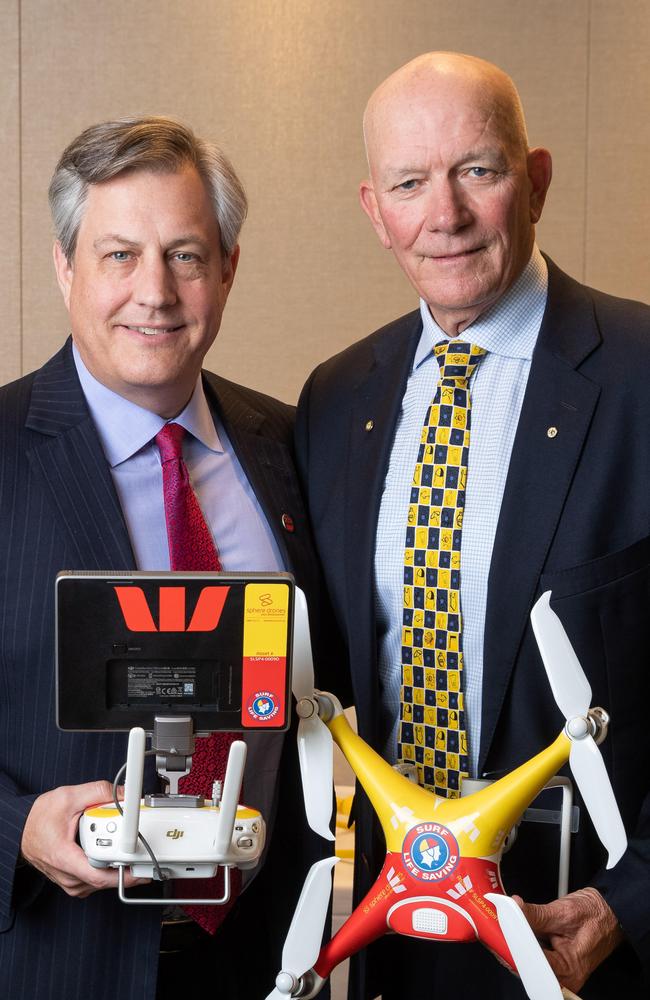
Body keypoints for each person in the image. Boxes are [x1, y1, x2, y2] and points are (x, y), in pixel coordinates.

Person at [295, 52, 650, 998]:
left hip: (587, 934)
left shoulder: (643, 376)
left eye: (477, 172)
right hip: (390, 931)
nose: (443, 215)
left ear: (535, 178)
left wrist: (634, 902)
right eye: (411, 183)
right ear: (377, 211)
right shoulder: (335, 401)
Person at [0, 116, 333, 1000]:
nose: (154, 291)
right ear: (66, 267)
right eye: (118, 256)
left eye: (185, 255)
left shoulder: (292, 448)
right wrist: (16, 828)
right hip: (55, 959)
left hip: (268, 953)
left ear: (228, 268)